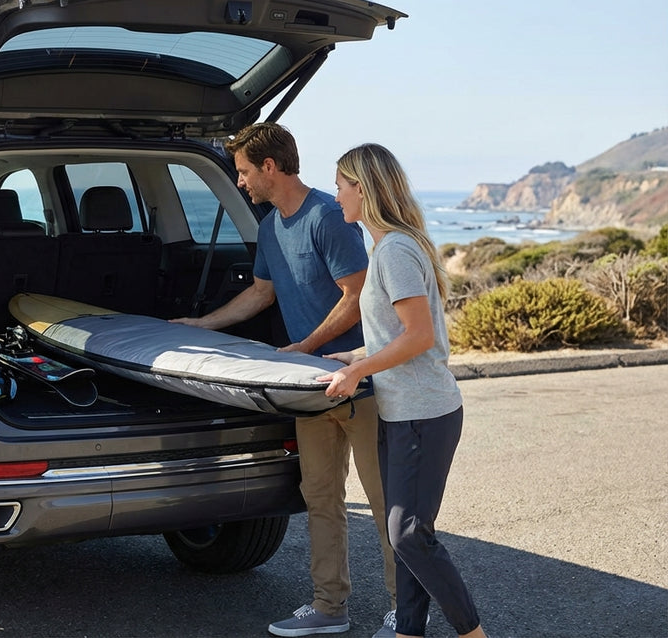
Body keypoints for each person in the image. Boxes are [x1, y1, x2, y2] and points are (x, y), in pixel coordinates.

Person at [172, 123, 397, 637]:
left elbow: (356, 294)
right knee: (320, 495)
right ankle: (329, 607)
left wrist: (305, 348)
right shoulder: (271, 226)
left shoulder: (328, 217)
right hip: (308, 386)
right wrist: (201, 326)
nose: (242, 181)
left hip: (359, 379)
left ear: (270, 167)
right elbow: (260, 293)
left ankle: (403, 610)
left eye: (245, 171)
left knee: (386, 501)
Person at [320, 143, 487, 638]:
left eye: (341, 185)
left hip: (423, 413)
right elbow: (397, 334)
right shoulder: (387, 246)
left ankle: (473, 634)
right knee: (409, 537)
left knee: (409, 535)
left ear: (363, 189)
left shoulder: (393, 249)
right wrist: (352, 358)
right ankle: (408, 632)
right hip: (403, 412)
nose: (335, 197)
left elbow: (420, 336)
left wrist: (359, 370)